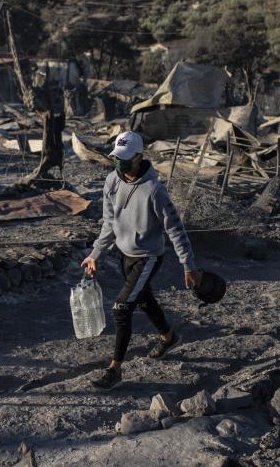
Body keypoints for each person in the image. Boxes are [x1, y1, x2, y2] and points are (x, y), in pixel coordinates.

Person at [81, 130, 201, 389]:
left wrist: (188, 265)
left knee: (121, 308)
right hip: (125, 254)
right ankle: (168, 337)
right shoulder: (112, 181)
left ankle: (115, 369)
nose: (120, 163)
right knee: (143, 298)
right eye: (117, 157)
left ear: (139, 156)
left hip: (147, 257)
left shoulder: (154, 191)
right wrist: (95, 253)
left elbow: (175, 229)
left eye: (125, 158)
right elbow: (109, 223)